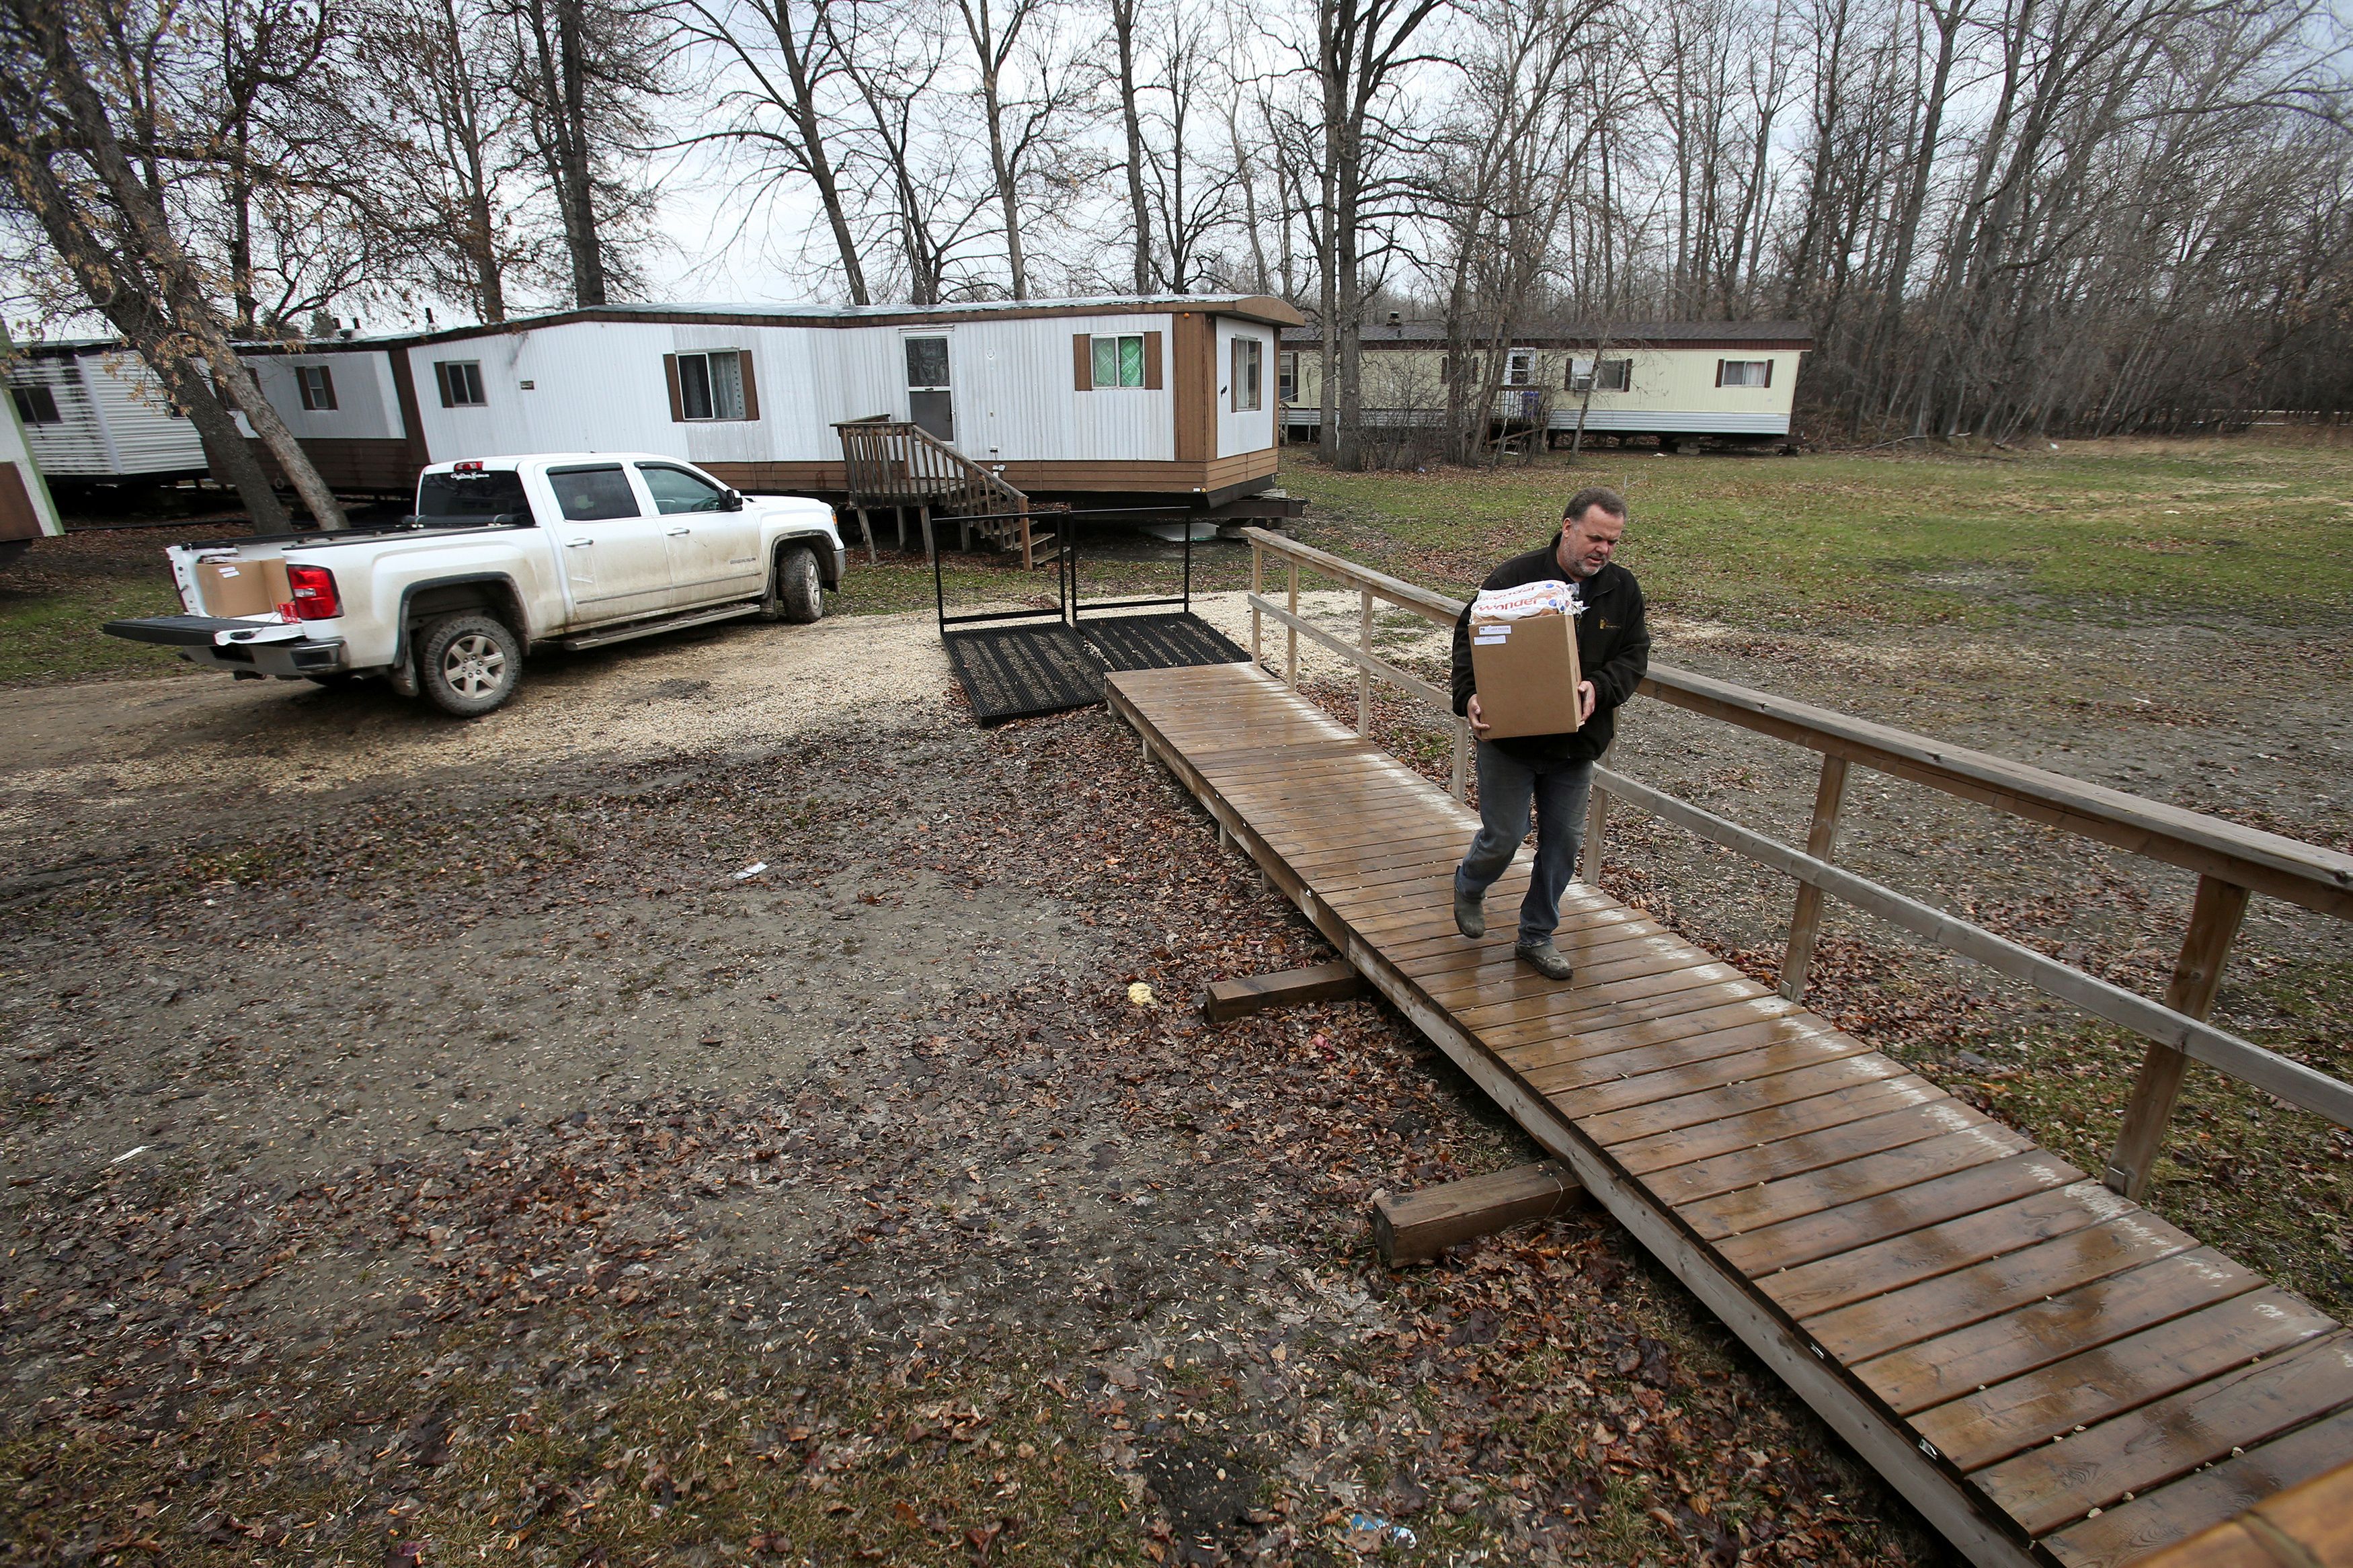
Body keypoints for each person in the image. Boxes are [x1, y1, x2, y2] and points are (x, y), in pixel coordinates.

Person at [1449, 487, 1651, 981]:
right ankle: (1471, 883)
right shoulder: (1513, 579)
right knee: (1505, 835)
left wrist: (1598, 687)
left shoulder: (1621, 590)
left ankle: (1536, 934)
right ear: (1567, 527)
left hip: (1574, 744)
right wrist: (1470, 697)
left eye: (1613, 542)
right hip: (1510, 739)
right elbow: (1468, 639)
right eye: (1596, 537)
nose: (1603, 550)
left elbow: (1634, 655)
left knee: (1562, 844)